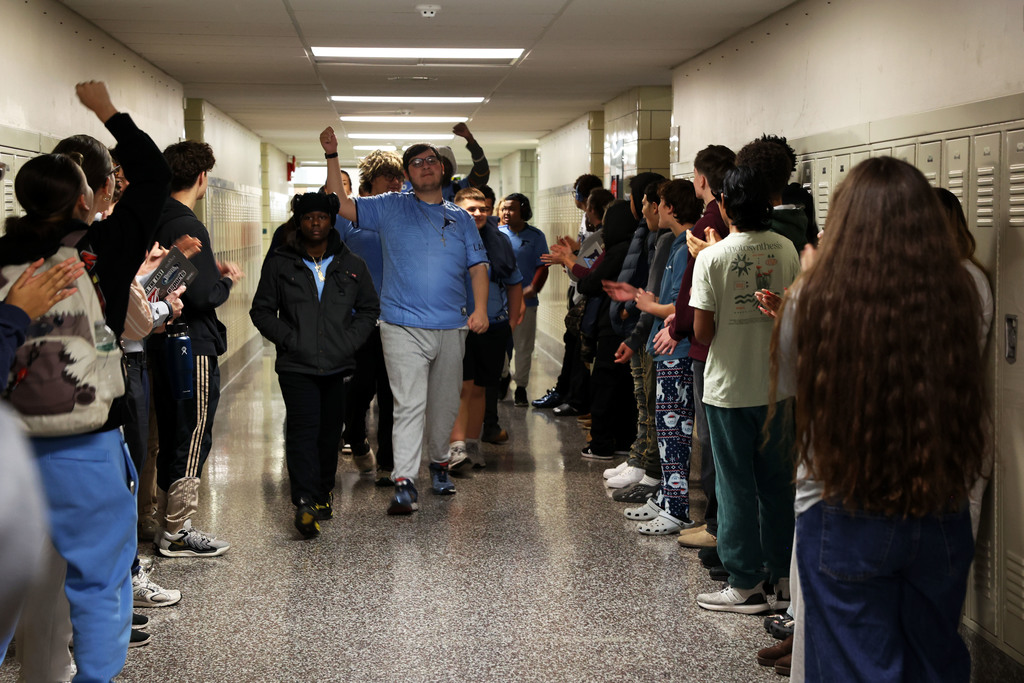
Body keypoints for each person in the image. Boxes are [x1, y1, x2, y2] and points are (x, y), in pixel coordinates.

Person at [773, 157, 985, 681]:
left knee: (852, 665)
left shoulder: (813, 296)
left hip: (842, 502)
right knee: (933, 662)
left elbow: (794, 385)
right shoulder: (957, 292)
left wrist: (804, 280)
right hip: (937, 500)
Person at [0, 80, 171, 682]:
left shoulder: (1, 257)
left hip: (8, 444)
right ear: (85, 200)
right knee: (100, 578)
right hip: (87, 442)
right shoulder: (104, 249)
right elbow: (154, 176)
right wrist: (108, 112)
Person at [321, 126, 489, 514]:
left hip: (451, 326)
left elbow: (478, 266)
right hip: (400, 324)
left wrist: (480, 308)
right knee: (409, 404)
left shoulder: (462, 219)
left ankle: (439, 463)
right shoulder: (390, 206)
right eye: (416, 162)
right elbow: (341, 204)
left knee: (444, 406)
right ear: (408, 173)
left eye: (431, 160)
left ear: (442, 170)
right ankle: (404, 482)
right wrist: (332, 155)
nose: (425, 166)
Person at [690, 165, 800, 614]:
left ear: (724, 205)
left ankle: (745, 584)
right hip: (779, 386)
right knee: (778, 485)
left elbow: (702, 332)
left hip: (729, 389)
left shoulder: (711, 258)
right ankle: (784, 580)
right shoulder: (787, 247)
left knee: (735, 486)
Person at [251, 192, 379, 537]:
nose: (315, 223)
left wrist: (349, 342)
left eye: (321, 217)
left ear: (331, 220)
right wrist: (290, 340)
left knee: (329, 433)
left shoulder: (352, 264)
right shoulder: (281, 263)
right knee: (303, 431)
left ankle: (323, 494)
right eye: (308, 218)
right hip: (296, 365)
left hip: (337, 365)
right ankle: (305, 500)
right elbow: (261, 310)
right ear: (299, 222)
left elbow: (369, 309)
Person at [150, 140, 243, 557]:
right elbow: (204, 296)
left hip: (159, 340)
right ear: (202, 177)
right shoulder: (189, 224)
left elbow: (162, 282)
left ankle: (163, 521)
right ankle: (179, 529)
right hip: (192, 345)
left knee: (172, 432)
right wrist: (226, 281)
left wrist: (207, 272)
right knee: (193, 434)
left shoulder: (155, 218)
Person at [339, 149, 405, 484]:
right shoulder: (350, 215)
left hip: (398, 318)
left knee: (392, 395)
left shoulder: (407, 213)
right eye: (387, 176)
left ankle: (389, 464)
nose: (395, 182)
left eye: (398, 177)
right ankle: (357, 439)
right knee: (359, 390)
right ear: (371, 181)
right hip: (358, 319)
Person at [448, 188, 524, 469]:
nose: (478, 213)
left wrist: (511, 323)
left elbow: (514, 283)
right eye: (471, 209)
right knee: (462, 387)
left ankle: (471, 444)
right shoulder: (446, 238)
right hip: (456, 326)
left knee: (481, 388)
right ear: (456, 210)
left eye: (482, 208)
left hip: (493, 326)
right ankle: (455, 447)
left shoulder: (499, 241)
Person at [533, 174, 604, 411]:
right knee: (572, 346)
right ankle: (565, 392)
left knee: (578, 350)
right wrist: (574, 252)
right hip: (578, 293)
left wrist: (568, 258)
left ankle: (574, 399)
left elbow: (584, 270)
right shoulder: (590, 226)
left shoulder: (600, 234)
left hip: (585, 297)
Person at [498, 193, 548, 406]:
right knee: (500, 345)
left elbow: (542, 266)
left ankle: (521, 387)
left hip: (526, 302)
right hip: (499, 303)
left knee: (524, 347)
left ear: (524, 211)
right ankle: (502, 377)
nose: (506, 213)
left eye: (512, 209)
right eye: (504, 208)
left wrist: (533, 288)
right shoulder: (497, 234)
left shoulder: (536, 236)